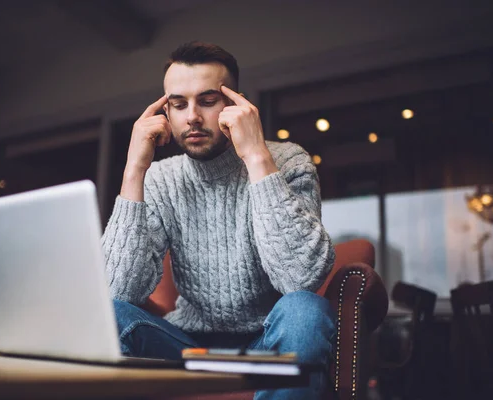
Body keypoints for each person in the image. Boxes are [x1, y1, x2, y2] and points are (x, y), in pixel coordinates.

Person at [102, 41, 336, 400]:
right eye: (178, 104)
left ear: (235, 104)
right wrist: (134, 169)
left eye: (207, 101)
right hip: (188, 349)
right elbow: (118, 293)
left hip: (268, 344)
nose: (192, 116)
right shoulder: (161, 178)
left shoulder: (287, 161)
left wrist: (256, 156)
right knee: (111, 315)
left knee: (306, 310)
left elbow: (299, 278)